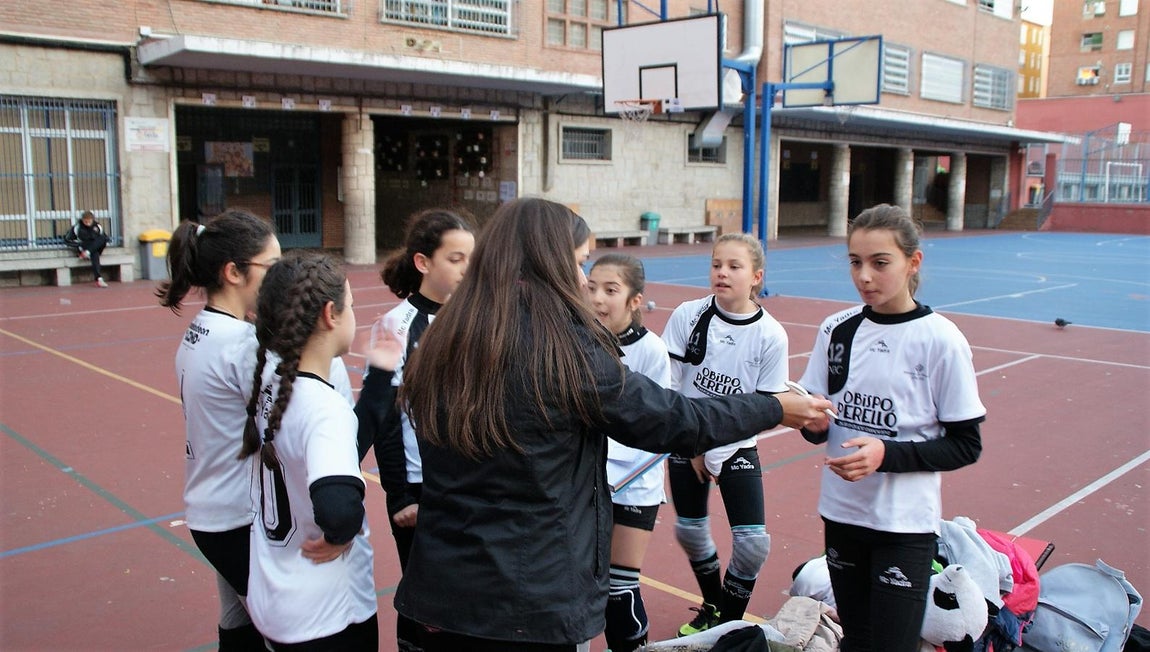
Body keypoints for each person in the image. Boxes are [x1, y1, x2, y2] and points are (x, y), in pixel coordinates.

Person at [393, 197, 832, 652]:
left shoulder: (443, 335)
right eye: (579, 263)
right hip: (525, 601)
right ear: (548, 262)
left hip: (440, 591)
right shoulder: (560, 351)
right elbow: (676, 420)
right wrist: (774, 407)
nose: (583, 280)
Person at [795, 203, 985, 652]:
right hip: (842, 514)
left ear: (912, 262)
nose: (864, 276)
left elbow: (966, 445)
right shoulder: (836, 330)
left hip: (903, 526)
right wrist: (813, 423)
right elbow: (814, 420)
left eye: (880, 263)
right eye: (855, 262)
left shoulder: (941, 339)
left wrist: (886, 455)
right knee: (855, 640)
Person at [240, 253, 400, 650]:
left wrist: (379, 379)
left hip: (279, 596)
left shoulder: (273, 385)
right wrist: (340, 534)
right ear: (331, 314)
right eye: (351, 305)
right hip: (325, 612)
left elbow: (338, 446)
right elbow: (338, 506)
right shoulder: (324, 407)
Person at [156, 210, 281, 650]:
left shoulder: (201, 331)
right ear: (234, 272)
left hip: (213, 508)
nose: (279, 277)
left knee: (237, 622)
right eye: (272, 267)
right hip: (238, 516)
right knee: (282, 631)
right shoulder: (243, 345)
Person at [660, 232, 791, 635]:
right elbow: (669, 387)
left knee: (753, 546)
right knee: (691, 532)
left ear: (756, 276)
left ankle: (726, 630)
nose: (722, 272)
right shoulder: (688, 315)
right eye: (717, 264)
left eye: (734, 266)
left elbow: (768, 409)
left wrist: (715, 446)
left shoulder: (771, 335)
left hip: (735, 445)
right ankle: (713, 606)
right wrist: (692, 442)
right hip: (688, 439)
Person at [368, 208, 474, 652]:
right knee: (423, 599)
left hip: (471, 484)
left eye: (472, 258)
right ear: (422, 262)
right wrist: (402, 495)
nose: (467, 269)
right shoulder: (393, 326)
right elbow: (383, 420)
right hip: (421, 487)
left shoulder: (478, 320)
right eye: (456, 258)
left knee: (468, 596)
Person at [586, 253, 672, 652]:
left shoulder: (652, 351)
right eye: (591, 288)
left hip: (633, 486)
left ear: (635, 300)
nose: (597, 298)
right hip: (587, 483)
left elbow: (659, 426)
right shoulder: (580, 340)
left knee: (619, 590)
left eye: (610, 290)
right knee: (582, 583)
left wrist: (617, 470)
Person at [64, 210, 110, 287]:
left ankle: (88, 252)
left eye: (89, 222)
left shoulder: (97, 227)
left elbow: (105, 238)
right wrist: (79, 244)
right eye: (86, 222)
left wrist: (91, 248)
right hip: (84, 247)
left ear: (92, 220)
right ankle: (99, 279)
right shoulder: (77, 228)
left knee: (102, 238)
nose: (88, 224)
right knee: (94, 254)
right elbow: (67, 240)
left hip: (95, 247)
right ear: (82, 220)